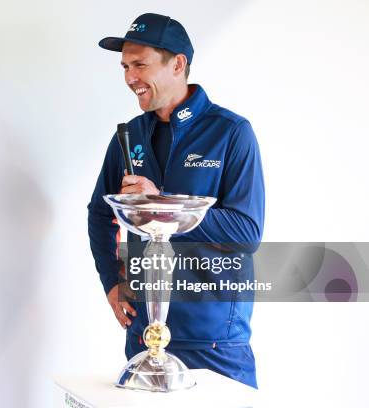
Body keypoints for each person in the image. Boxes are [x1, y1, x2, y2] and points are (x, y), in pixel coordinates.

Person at [88, 13, 264, 388]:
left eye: (140, 65)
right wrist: (111, 281)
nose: (129, 77)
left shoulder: (231, 133)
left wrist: (162, 203)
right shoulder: (129, 136)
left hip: (212, 339)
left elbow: (247, 233)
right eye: (125, 66)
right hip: (143, 333)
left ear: (178, 64)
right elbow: (100, 213)